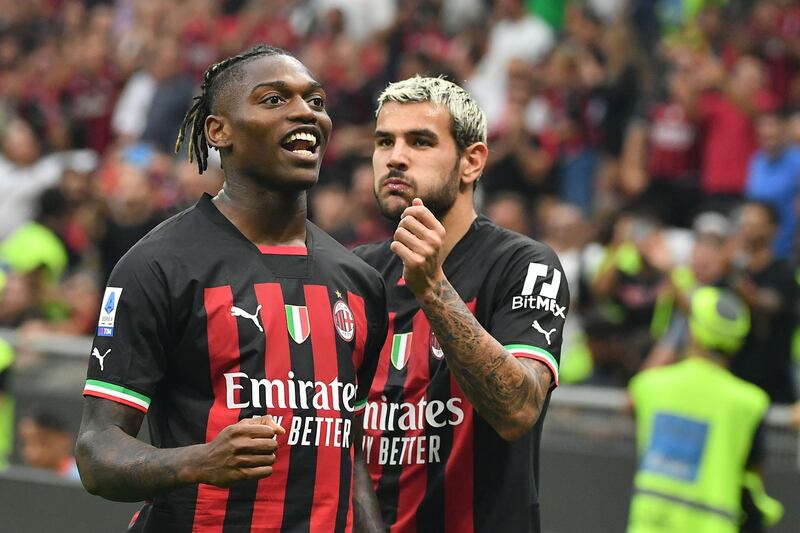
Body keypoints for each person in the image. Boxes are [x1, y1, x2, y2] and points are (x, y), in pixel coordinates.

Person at [75, 45, 387, 533]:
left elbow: (350, 456)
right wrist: (201, 462)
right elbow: (96, 452)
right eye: (273, 100)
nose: (306, 112)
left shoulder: (360, 283)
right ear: (218, 131)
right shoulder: (159, 265)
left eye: (317, 101)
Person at [354, 76, 569, 532]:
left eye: (421, 141)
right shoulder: (353, 273)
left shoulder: (525, 265)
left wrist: (432, 287)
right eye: (384, 141)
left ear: (472, 162)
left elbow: (518, 410)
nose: (395, 156)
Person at [627, 286, 783, 533]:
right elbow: (754, 473)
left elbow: (631, 400)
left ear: (692, 331)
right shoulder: (750, 403)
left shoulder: (649, 387)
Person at [728, 201, 797, 405]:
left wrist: (737, 277)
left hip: (771, 387)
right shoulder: (730, 272)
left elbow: (768, 304)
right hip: (735, 381)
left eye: (755, 223)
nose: (747, 229)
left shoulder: (783, 274)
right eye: (744, 223)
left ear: (773, 229)